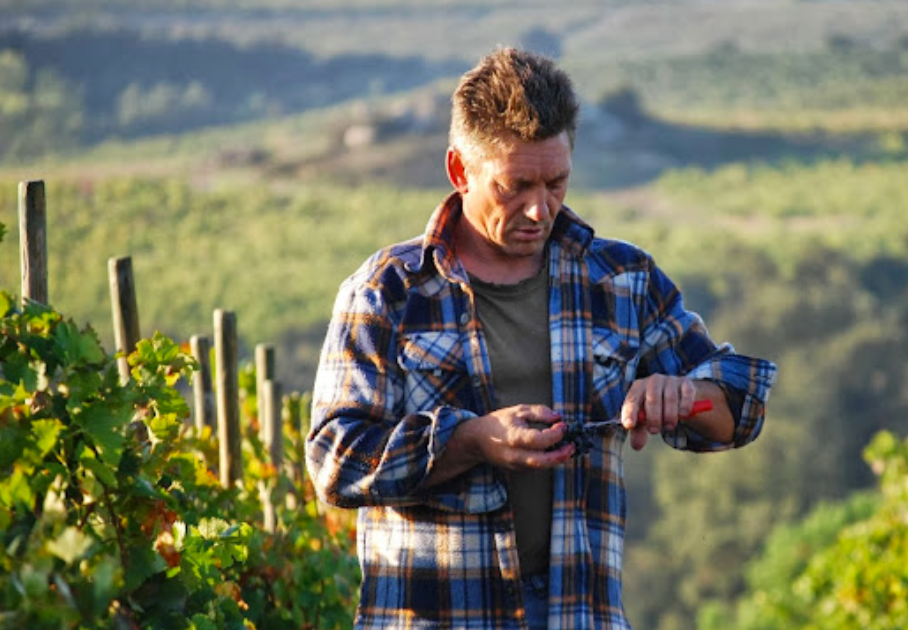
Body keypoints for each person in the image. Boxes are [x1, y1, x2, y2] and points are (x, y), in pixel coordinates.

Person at [306, 47, 776, 630]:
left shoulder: (622, 281)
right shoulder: (388, 292)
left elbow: (738, 411)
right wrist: (472, 439)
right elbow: (334, 460)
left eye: (556, 182)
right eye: (516, 186)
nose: (540, 208)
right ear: (460, 171)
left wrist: (684, 394)